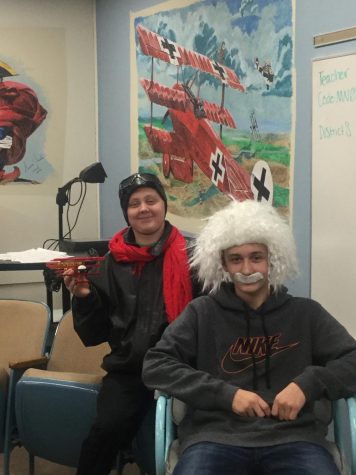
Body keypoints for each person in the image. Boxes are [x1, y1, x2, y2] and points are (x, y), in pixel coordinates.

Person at [142, 199, 356, 475]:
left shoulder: (306, 313)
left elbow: (352, 359)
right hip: (213, 438)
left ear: (272, 259)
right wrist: (226, 395)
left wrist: (307, 385)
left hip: (294, 439)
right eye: (235, 259)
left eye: (256, 257)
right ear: (223, 265)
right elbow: (156, 365)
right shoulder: (201, 312)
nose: (246, 269)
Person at [63, 172, 196, 475]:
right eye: (134, 204)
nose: (144, 208)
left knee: (189, 443)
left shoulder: (193, 256)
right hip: (129, 372)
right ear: (127, 213)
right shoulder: (110, 263)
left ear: (164, 204)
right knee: (105, 432)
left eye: (151, 200)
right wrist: (84, 296)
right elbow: (93, 334)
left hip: (185, 367)